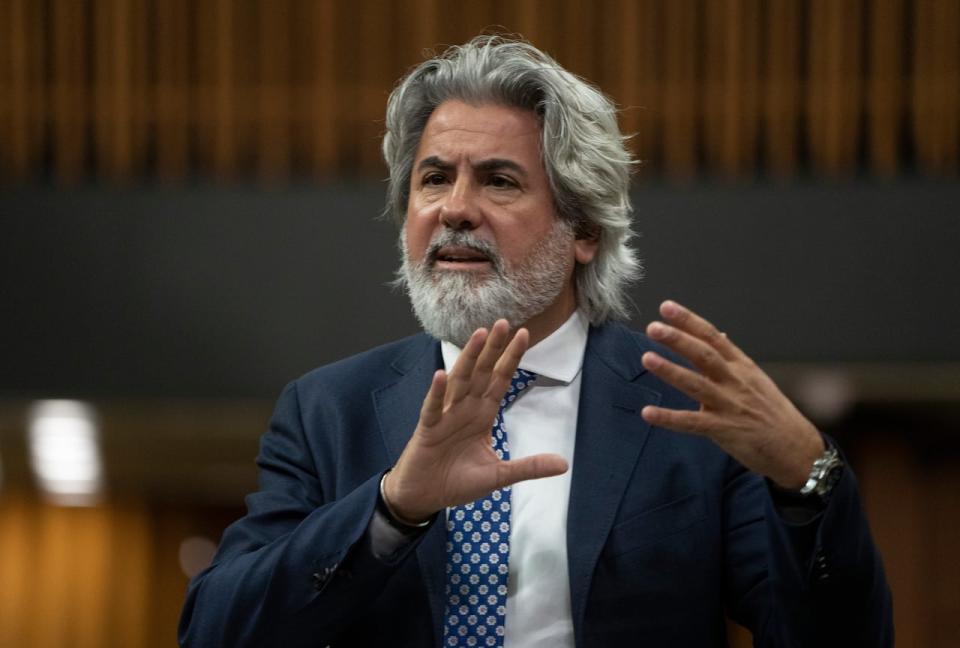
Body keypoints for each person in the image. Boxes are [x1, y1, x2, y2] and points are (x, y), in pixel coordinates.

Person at [178, 36, 892, 647]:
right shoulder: (327, 410)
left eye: (498, 181)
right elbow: (214, 629)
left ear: (583, 231)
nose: (455, 208)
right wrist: (393, 507)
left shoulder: (688, 411)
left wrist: (809, 477)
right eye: (434, 179)